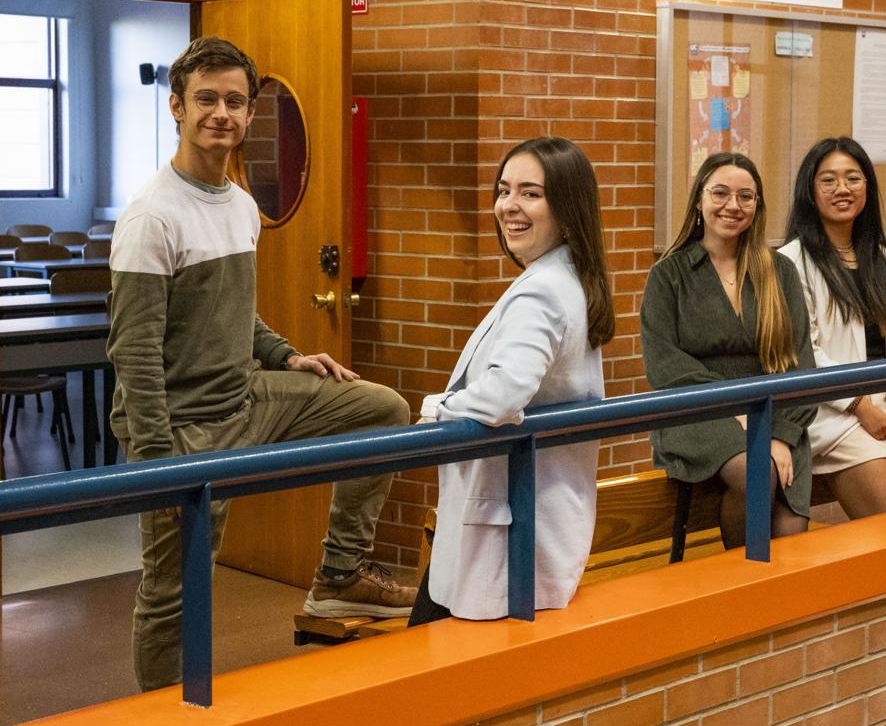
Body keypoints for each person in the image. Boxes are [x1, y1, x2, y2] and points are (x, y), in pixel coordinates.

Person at [108, 37, 412, 692]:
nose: (222, 112)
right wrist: (159, 458)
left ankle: (339, 576)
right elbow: (132, 351)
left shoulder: (243, 206)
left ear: (249, 115)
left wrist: (288, 356)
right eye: (207, 99)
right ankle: (165, 712)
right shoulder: (151, 216)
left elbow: (235, 314)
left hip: (247, 396)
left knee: (382, 411)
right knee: (175, 593)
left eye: (236, 101)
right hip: (181, 427)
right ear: (177, 108)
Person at [407, 136, 615, 625]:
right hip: (520, 519)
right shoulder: (563, 277)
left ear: (567, 208)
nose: (509, 206)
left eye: (530, 193)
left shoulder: (542, 291)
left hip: (509, 531)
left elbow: (504, 394)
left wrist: (437, 410)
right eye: (504, 190)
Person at [640, 152, 817, 549]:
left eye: (745, 196)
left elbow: (801, 361)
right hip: (696, 409)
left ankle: (775, 608)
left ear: (757, 206)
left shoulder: (779, 272)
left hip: (773, 409)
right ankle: (742, 590)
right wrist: (735, 411)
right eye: (720, 193)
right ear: (700, 200)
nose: (732, 205)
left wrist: (783, 435)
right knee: (757, 472)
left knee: (790, 538)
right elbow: (664, 364)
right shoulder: (668, 276)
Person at [779, 137, 886, 518]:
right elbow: (805, 351)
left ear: (868, 187)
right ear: (810, 192)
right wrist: (859, 406)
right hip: (835, 418)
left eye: (853, 178)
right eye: (828, 180)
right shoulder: (791, 262)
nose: (842, 189)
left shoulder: (879, 256)